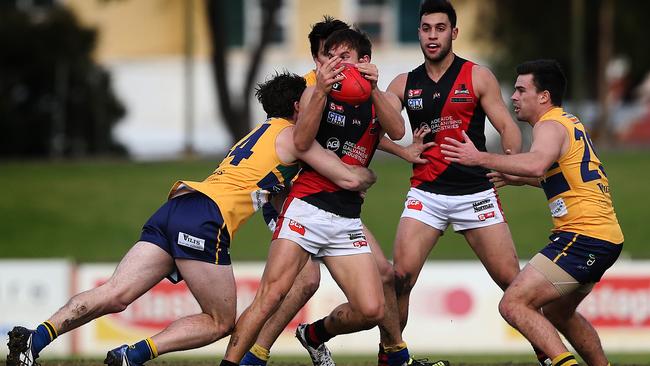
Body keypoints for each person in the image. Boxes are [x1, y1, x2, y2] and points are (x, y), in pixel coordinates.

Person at [5, 72, 376, 366]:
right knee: (220, 321)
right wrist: (369, 174)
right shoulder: (297, 137)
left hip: (178, 204)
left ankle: (34, 340)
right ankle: (131, 356)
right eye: (314, 102)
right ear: (299, 106)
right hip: (206, 219)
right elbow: (348, 177)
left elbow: (272, 188)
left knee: (115, 293)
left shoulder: (259, 132)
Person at [241, 18, 444, 366]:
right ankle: (252, 356)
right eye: (325, 55)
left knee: (381, 282)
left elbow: (380, 130)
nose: (330, 62)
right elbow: (296, 142)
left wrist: (403, 150)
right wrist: (349, 174)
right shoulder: (314, 87)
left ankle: (380, 350)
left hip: (344, 213)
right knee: (299, 285)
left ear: (362, 58)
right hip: (296, 198)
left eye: (339, 54)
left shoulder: (363, 88)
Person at [380, 0, 550, 365]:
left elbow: (507, 127)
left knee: (513, 283)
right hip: (425, 193)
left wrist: (509, 163)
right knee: (400, 278)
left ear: (453, 33)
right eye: (426, 28)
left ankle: (549, 354)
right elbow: (377, 126)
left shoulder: (477, 76)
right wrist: (402, 149)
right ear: (419, 33)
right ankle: (391, 356)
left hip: (475, 192)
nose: (432, 35)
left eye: (440, 28)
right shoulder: (403, 83)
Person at [440, 59, 624, 366]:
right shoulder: (569, 122)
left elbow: (537, 162)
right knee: (557, 312)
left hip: (584, 238)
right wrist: (519, 178)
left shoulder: (549, 126)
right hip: (604, 238)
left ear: (544, 96)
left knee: (513, 304)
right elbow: (563, 177)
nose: (513, 97)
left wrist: (479, 158)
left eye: (521, 90)